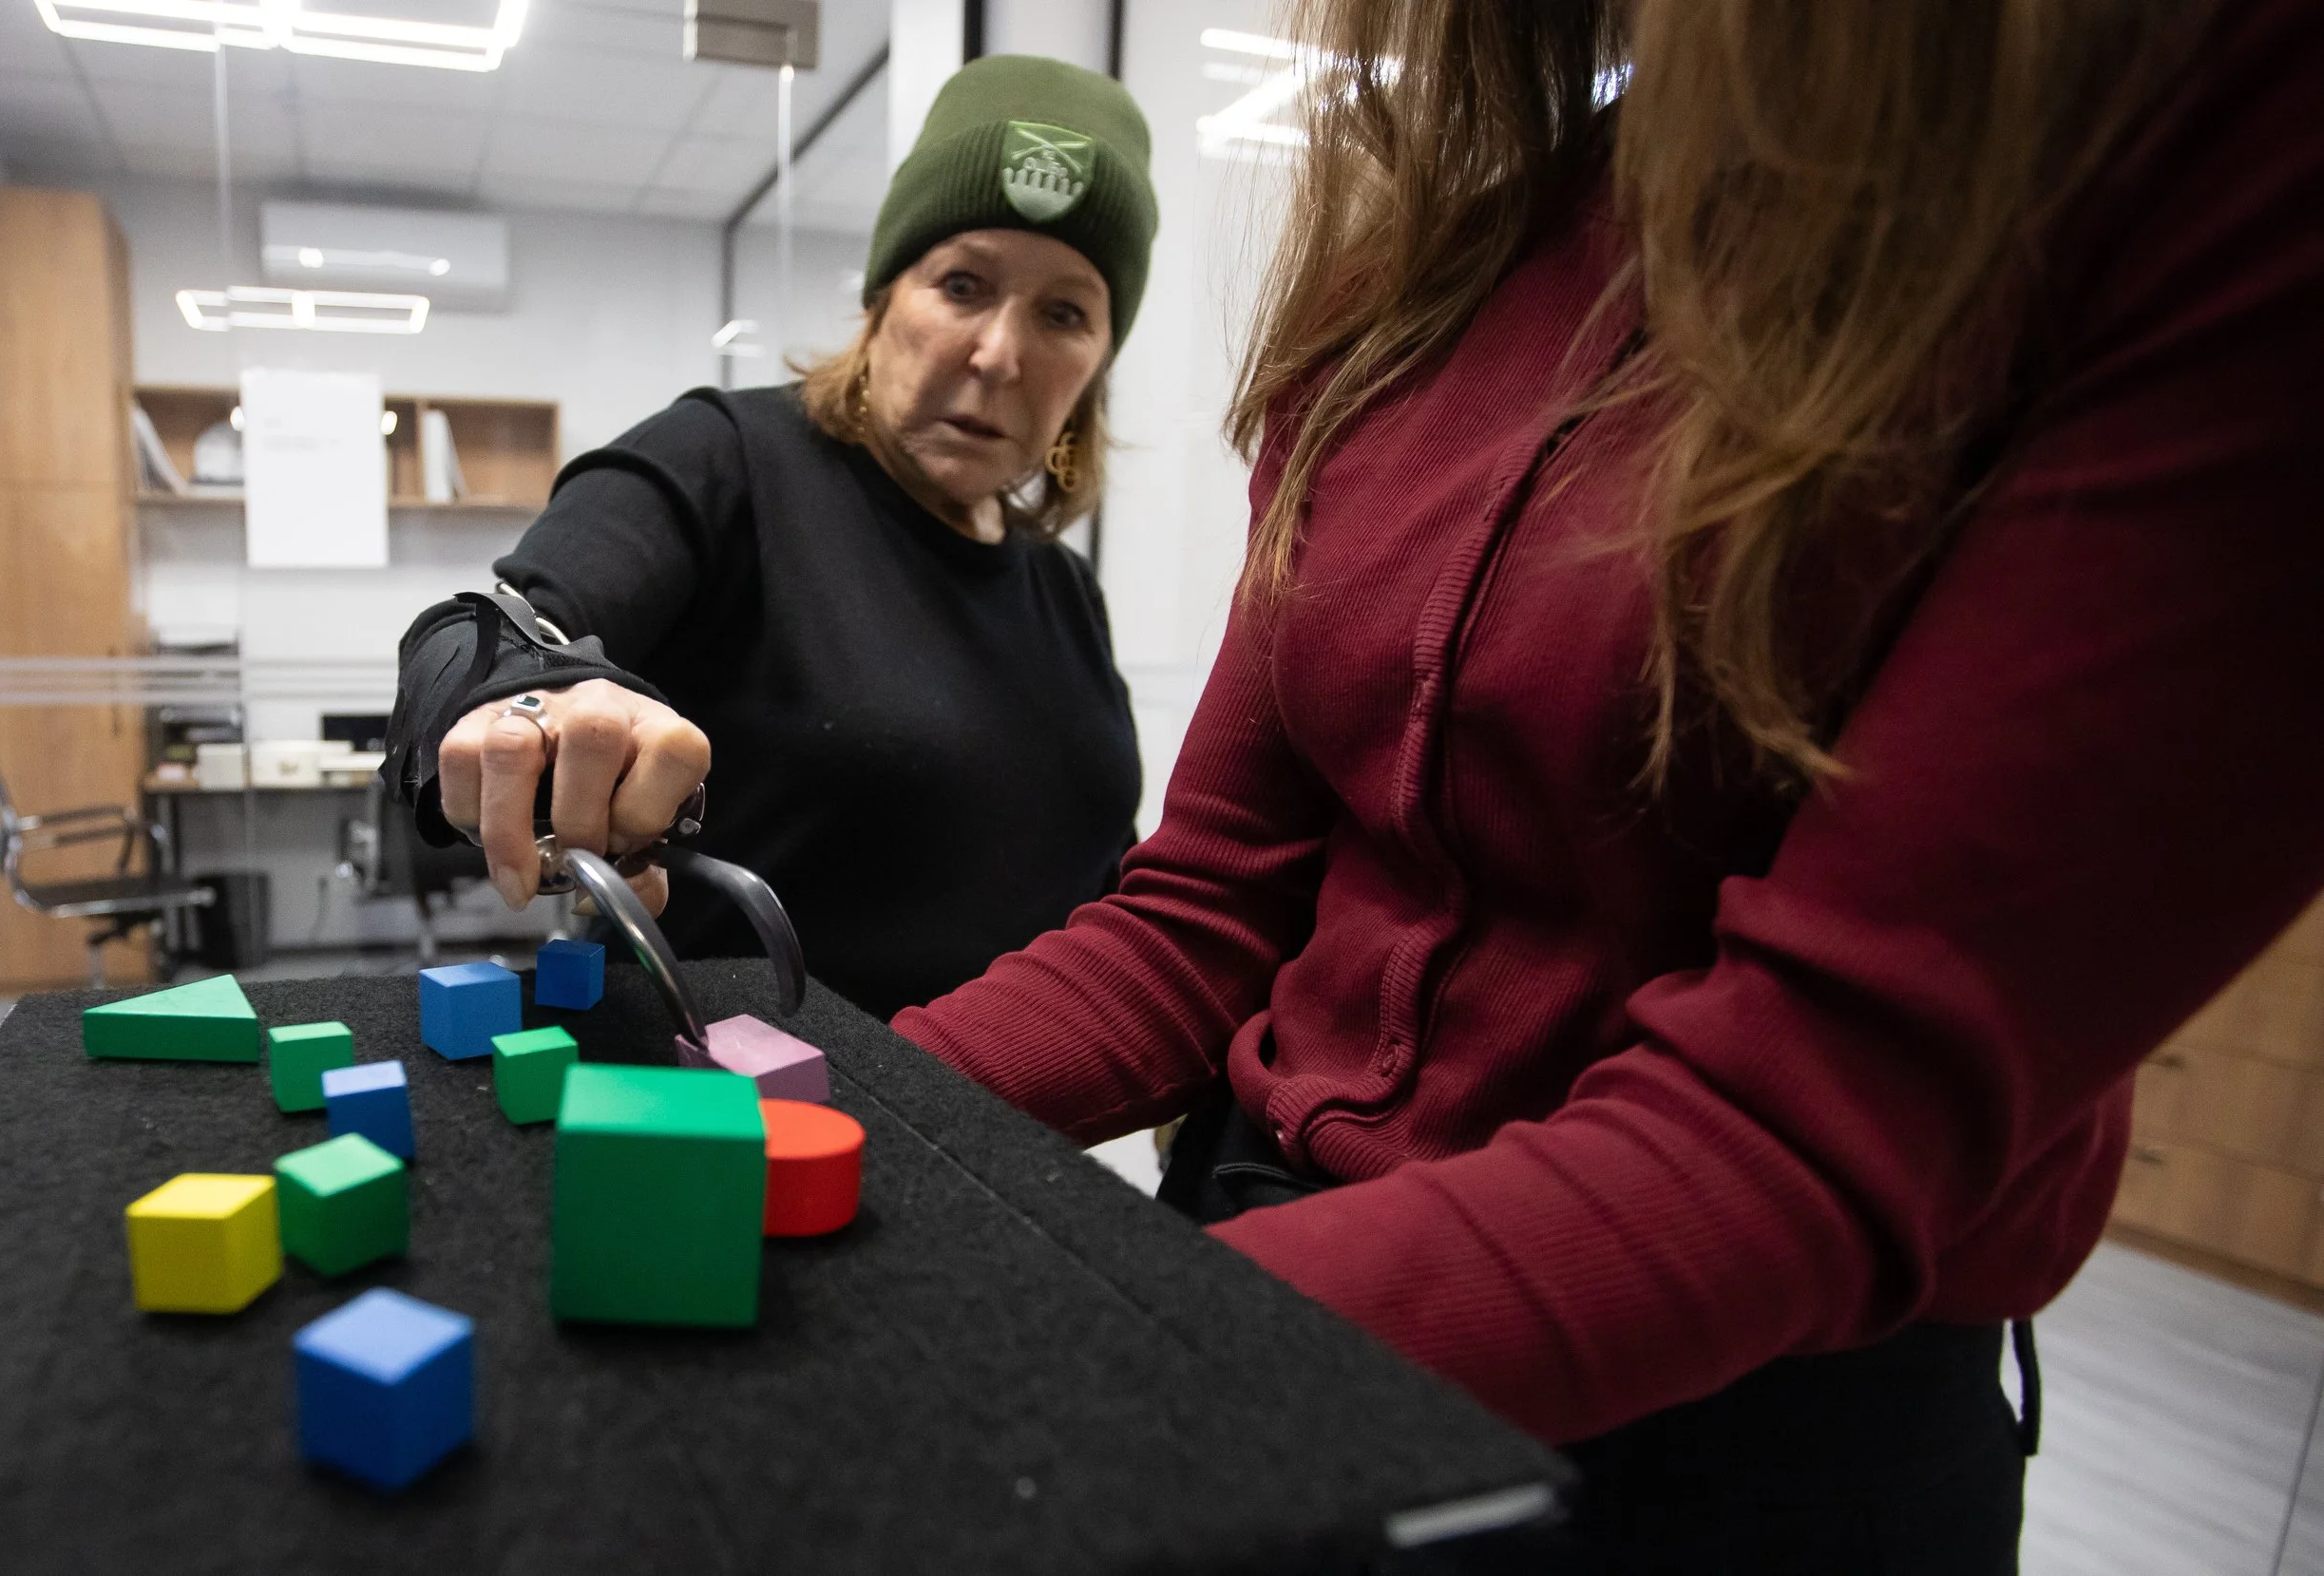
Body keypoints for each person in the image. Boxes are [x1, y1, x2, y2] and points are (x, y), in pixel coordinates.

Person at [885, 0, 2322, 1568]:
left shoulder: (2202, 136)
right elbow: (1211, 898)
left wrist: (1087, 1365)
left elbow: (1814, 1108)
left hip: (1742, 1431)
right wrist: (817, 1110)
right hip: (1259, 1269)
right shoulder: (1430, 269)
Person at [384, 56, 1157, 1019]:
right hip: (729, 1112)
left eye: (1063, 312)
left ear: (1096, 361)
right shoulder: (728, 459)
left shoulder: (1062, 590)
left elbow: (1103, 867)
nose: (999, 353)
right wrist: (508, 699)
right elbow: (496, 633)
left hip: (1003, 1133)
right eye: (962, 284)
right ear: (883, 301)